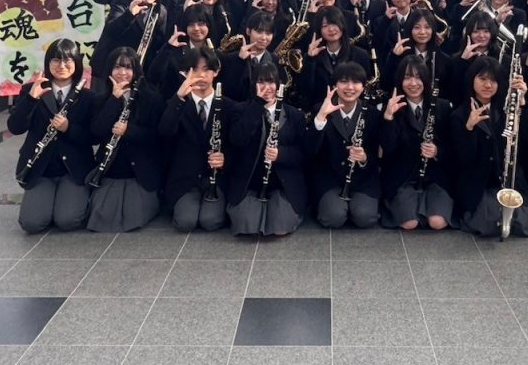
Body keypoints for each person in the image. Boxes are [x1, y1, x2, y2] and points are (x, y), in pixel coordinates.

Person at [8, 38, 96, 234]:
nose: (62, 66)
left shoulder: (88, 96)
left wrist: (68, 128)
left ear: (77, 63)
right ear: (48, 63)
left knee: (67, 221)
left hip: (73, 170)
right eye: (56, 60)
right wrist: (31, 99)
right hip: (41, 169)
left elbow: (94, 136)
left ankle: (76, 199)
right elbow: (15, 127)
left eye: (68, 61)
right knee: (32, 223)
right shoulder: (32, 90)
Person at [449, 55, 528, 237]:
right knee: (488, 224)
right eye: (482, 79)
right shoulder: (459, 114)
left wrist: (523, 103)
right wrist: (469, 128)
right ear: (471, 79)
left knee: (519, 222)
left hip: (505, 180)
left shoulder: (506, 108)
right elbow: (463, 159)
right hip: (477, 184)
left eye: (493, 80)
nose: (488, 85)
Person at [158, 47, 236, 232]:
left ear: (216, 72)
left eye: (207, 69)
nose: (201, 75)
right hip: (186, 179)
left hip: (216, 179)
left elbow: (236, 144)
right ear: (185, 73)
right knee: (186, 222)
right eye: (194, 69)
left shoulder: (229, 106)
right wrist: (178, 97)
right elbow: (164, 132)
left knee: (210, 221)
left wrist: (226, 159)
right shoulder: (176, 103)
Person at [225, 63, 307, 236]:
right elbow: (237, 140)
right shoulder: (239, 110)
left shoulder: (294, 115)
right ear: (253, 84)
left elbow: (303, 154)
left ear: (278, 85)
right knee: (247, 226)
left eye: (271, 82)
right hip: (250, 180)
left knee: (280, 228)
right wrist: (257, 105)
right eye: (261, 82)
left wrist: (280, 154)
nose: (267, 88)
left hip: (281, 182)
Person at [87, 47, 162, 232]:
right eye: (117, 67)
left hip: (140, 169)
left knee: (134, 216)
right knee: (102, 216)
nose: (122, 73)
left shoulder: (150, 98)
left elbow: (157, 136)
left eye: (128, 68)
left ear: (136, 71)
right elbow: (95, 134)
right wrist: (114, 99)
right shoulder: (99, 99)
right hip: (111, 168)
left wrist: (129, 131)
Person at [380, 56, 453, 230]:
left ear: (426, 80)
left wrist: (437, 152)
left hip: (434, 177)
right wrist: (388, 118)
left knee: (437, 223)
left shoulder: (442, 107)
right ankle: (416, 207)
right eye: (407, 77)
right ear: (400, 81)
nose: (413, 83)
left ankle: (424, 206)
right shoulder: (391, 106)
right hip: (403, 178)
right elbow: (388, 149)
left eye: (418, 77)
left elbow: (453, 147)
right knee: (409, 224)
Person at [306, 62, 381, 228]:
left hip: (362, 179)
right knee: (333, 218)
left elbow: (378, 154)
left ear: (363, 86)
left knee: (365, 218)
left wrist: (364, 158)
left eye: (356, 82)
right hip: (329, 179)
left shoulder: (373, 114)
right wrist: (320, 119)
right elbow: (310, 150)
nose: (350, 87)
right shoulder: (320, 109)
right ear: (335, 85)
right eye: (344, 81)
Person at [90, 0, 166, 93]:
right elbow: (111, 30)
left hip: (136, 69)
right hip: (110, 66)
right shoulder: (122, 3)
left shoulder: (160, 11)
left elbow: (158, 43)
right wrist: (129, 14)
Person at [297, 6, 372, 111]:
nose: (331, 29)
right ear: (319, 30)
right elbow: (305, 90)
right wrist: (310, 59)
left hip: (351, 110)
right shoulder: (311, 56)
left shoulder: (360, 54)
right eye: (325, 26)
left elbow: (365, 86)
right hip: (320, 111)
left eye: (334, 23)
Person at [147, 4, 217, 99]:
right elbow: (153, 76)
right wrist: (168, 47)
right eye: (191, 25)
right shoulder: (174, 52)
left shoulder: (216, 53)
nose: (196, 28)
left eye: (201, 24)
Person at [220, 12, 285, 101]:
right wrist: (239, 62)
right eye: (259, 31)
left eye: (268, 33)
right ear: (248, 31)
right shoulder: (230, 59)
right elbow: (228, 92)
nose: (264, 37)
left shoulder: (275, 61)